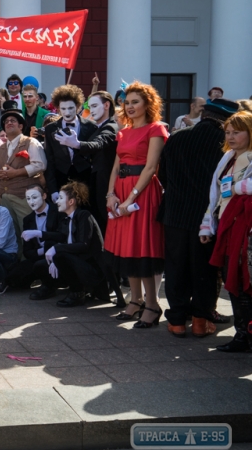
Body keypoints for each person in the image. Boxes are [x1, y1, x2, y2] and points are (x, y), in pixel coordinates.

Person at [161, 99, 236, 338]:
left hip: (174, 212)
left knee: (175, 267)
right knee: (204, 269)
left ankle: (176, 321)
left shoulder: (177, 137)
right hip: (206, 216)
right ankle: (201, 321)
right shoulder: (226, 145)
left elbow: (163, 175)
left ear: (204, 114)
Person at [105, 81, 168, 328]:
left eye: (135, 102)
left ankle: (152, 304)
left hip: (143, 193)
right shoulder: (123, 132)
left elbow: (151, 167)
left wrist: (131, 197)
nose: (129, 106)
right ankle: (137, 300)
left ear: (147, 104)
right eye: (127, 102)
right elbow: (115, 167)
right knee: (126, 248)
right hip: (121, 192)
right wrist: (111, 194)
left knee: (143, 248)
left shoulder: (156, 129)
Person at [200, 110, 252, 351]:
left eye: (236, 132)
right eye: (228, 132)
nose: (230, 137)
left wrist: (240, 187)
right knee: (233, 281)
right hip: (228, 228)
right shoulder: (227, 157)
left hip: (248, 232)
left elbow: (234, 189)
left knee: (245, 282)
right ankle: (243, 335)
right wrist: (208, 223)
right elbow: (216, 195)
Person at [41, 181, 109, 307]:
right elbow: (61, 236)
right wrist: (40, 235)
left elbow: (83, 245)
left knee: (60, 255)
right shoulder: (66, 219)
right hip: (80, 263)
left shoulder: (84, 215)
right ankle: (57, 287)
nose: (57, 201)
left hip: (93, 269)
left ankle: (77, 293)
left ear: (71, 202)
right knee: (42, 264)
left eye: (61, 198)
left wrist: (57, 249)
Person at [0, 104, 47, 247]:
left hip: (24, 196)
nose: (9, 123)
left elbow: (40, 164)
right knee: (12, 235)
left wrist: (16, 172)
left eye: (13, 120)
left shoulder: (31, 142)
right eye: (6, 121)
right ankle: (16, 263)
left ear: (21, 126)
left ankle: (30, 263)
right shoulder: (0, 148)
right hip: (4, 197)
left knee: (28, 232)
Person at [69, 91, 120, 234]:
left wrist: (77, 144)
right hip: (96, 182)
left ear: (106, 105)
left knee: (106, 223)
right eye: (90, 106)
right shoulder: (97, 127)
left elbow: (99, 143)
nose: (91, 110)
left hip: (107, 183)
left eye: (95, 105)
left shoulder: (111, 127)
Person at [42, 85, 97, 202]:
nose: (67, 112)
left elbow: (94, 154)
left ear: (78, 106)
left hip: (84, 178)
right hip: (60, 178)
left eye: (71, 108)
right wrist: (53, 190)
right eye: (63, 108)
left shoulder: (90, 126)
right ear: (58, 108)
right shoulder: (50, 129)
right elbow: (49, 160)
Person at [16, 184, 63, 296]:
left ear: (44, 196)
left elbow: (62, 236)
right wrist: (42, 251)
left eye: (34, 197)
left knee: (41, 263)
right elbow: (27, 251)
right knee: (14, 277)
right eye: (28, 198)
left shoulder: (58, 212)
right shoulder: (28, 219)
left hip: (57, 253)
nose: (31, 201)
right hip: (39, 254)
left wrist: (39, 234)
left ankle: (49, 287)